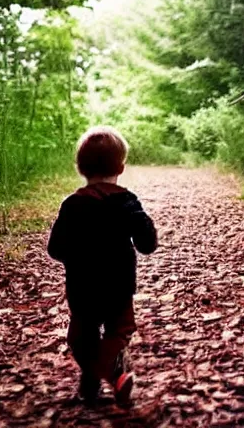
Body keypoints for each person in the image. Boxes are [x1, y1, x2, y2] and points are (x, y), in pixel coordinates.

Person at [47, 126, 158, 405]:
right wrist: (145, 225)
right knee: (118, 330)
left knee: (81, 335)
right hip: (119, 285)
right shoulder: (127, 202)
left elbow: (55, 249)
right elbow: (146, 244)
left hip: (82, 286)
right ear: (121, 166)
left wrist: (79, 255)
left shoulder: (72, 204)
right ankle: (113, 373)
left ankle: (92, 379)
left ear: (80, 167)